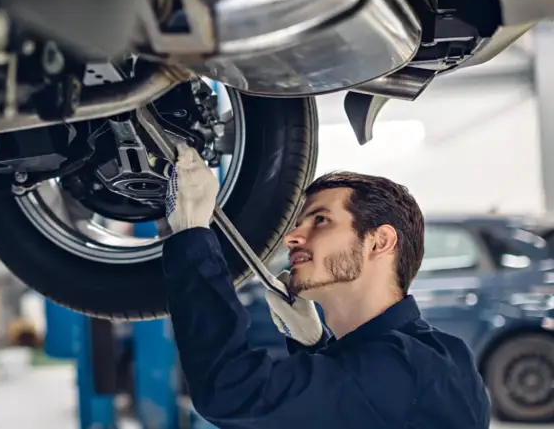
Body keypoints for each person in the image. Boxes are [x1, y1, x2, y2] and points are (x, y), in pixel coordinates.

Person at [161, 144, 491, 429]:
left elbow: (229, 390)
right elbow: (349, 406)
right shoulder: (439, 354)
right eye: (299, 223)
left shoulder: (403, 366)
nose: (292, 237)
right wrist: (314, 344)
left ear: (379, 242)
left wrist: (192, 236)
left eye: (321, 220)